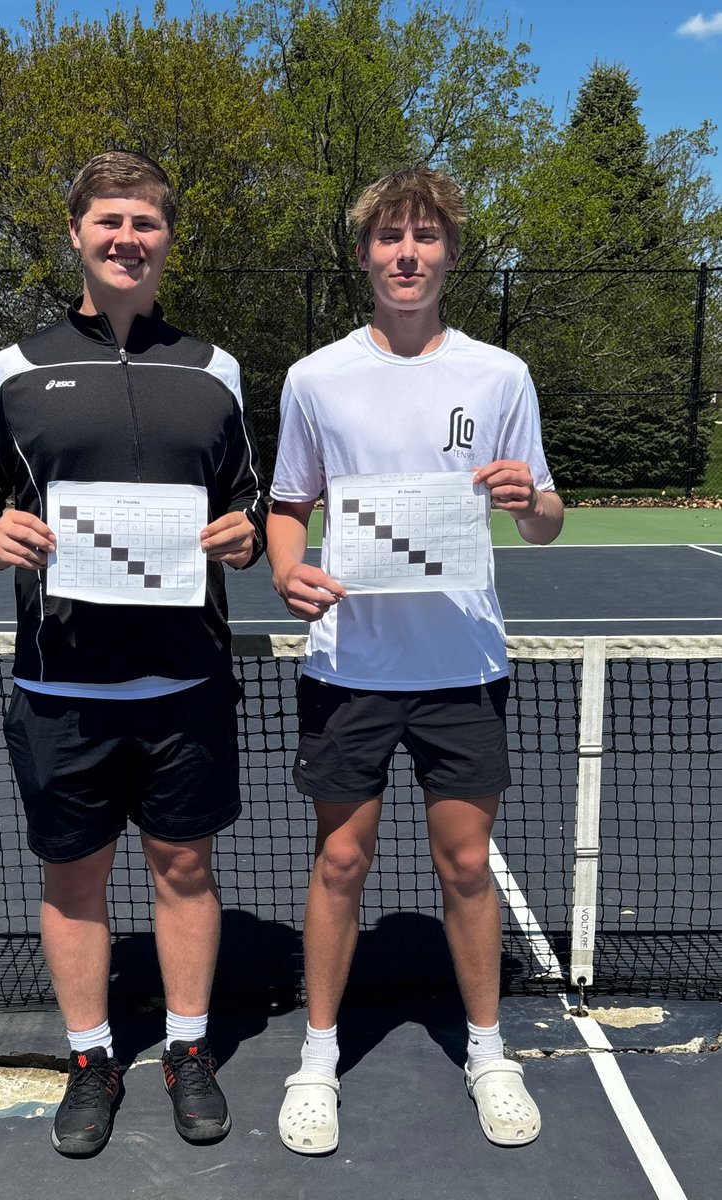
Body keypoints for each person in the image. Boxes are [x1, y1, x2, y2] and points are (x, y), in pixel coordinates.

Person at [0, 151, 267, 1157]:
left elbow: (252, 496)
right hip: (60, 689)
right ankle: (90, 1059)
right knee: (75, 879)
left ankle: (188, 1048)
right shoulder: (15, 369)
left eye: (146, 223)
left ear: (169, 238)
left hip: (188, 683)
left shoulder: (216, 372)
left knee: (185, 867)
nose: (128, 238)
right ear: (76, 233)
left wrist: (245, 531)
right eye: (109, 221)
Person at [267, 166, 563, 1155]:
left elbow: (546, 524)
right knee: (341, 861)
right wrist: (286, 573)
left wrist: (531, 501)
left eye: (425, 237)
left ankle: (488, 1050)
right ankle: (316, 1058)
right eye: (389, 236)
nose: (407, 252)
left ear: (449, 252)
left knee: (466, 866)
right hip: (348, 667)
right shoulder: (314, 377)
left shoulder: (500, 375)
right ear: (362, 254)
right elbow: (287, 503)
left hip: (463, 667)